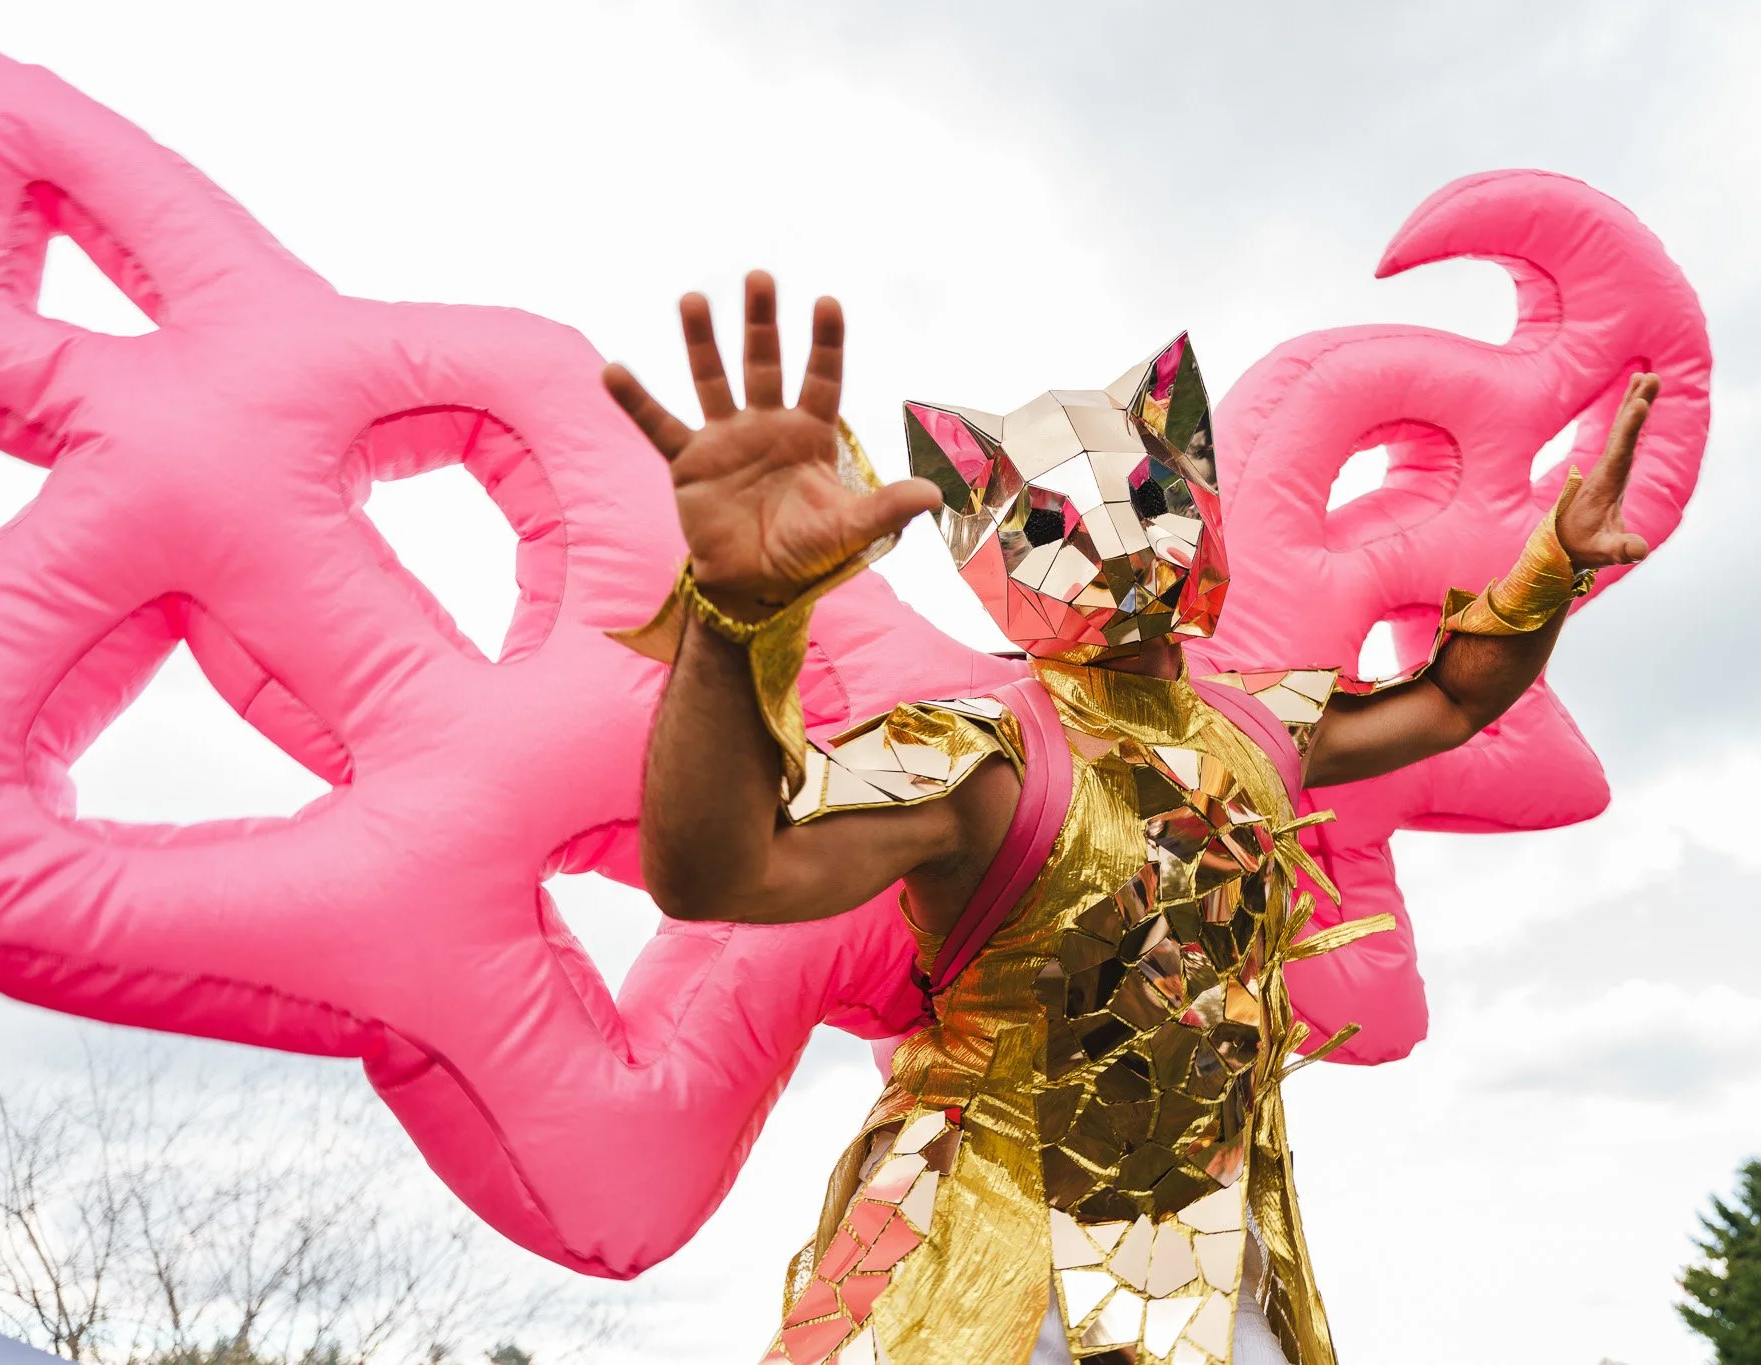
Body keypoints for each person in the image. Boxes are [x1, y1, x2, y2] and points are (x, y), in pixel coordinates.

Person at [601, 271, 1658, 1365]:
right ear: (985, 547)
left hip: (1217, 1259)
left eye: (1152, 495)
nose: (1120, 540)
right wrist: (733, 619)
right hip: (1000, 1268)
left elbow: (1448, 698)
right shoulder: (983, 760)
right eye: (1053, 523)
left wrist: (1553, 562)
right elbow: (721, 874)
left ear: (1194, 489)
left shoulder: (1252, 723)